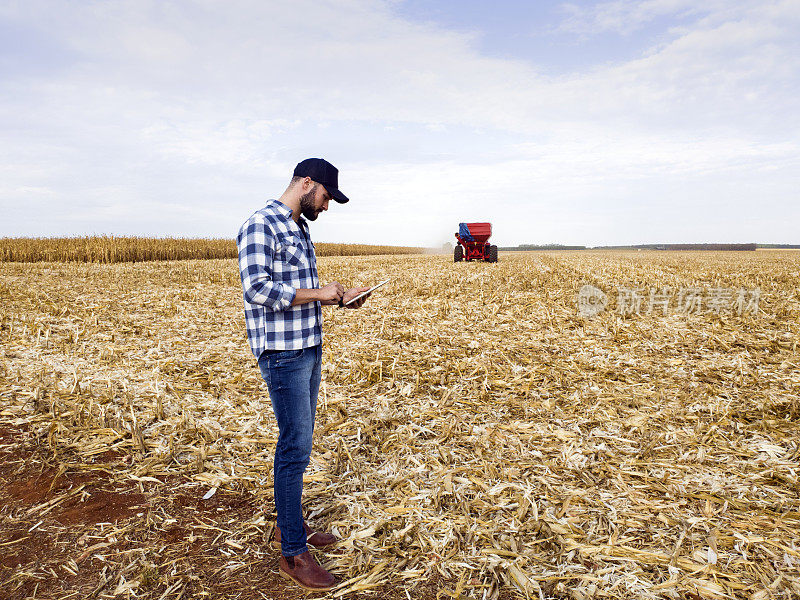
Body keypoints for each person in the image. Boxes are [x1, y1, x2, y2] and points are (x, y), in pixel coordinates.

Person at [237, 158, 371, 591]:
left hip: (307, 345)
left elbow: (297, 290)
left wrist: (339, 298)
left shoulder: (300, 228)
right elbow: (257, 289)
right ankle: (293, 554)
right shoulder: (261, 224)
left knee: (301, 444)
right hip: (283, 353)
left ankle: (287, 525)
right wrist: (319, 293)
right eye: (327, 197)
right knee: (294, 448)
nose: (327, 206)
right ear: (307, 183)